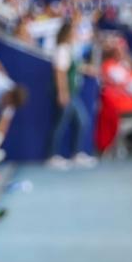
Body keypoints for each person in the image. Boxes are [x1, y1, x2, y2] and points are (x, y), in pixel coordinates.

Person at [48, 20, 95, 169]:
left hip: (73, 93)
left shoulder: (70, 49)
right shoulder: (62, 49)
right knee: (60, 124)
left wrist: (88, 69)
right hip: (68, 93)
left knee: (82, 122)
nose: (76, 34)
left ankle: (76, 154)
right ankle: (52, 156)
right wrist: (63, 93)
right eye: (74, 31)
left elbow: (76, 67)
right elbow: (60, 73)